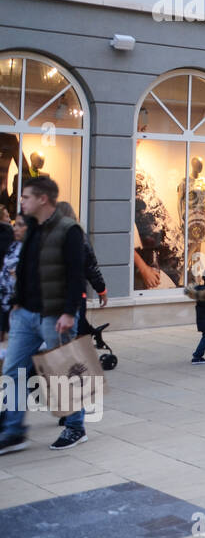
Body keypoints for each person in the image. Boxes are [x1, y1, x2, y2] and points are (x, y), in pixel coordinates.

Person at [0, 176, 88, 453]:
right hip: (25, 314)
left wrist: (69, 312)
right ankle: (14, 431)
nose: (21, 201)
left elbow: (77, 273)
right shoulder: (33, 228)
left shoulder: (69, 229)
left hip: (55, 315)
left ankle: (75, 426)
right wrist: (16, 302)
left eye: (26, 197)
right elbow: (26, 268)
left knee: (64, 371)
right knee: (13, 370)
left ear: (42, 199)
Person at [53, 202, 107, 338]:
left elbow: (90, 267)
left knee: (73, 331)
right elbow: (91, 267)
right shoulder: (79, 236)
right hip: (75, 294)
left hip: (58, 295)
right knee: (77, 330)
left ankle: (79, 354)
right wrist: (101, 290)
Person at [0, 213, 28, 352]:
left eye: (20, 225)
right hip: (10, 303)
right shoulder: (13, 246)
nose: (15, 228)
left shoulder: (33, 249)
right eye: (15, 224)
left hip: (28, 308)